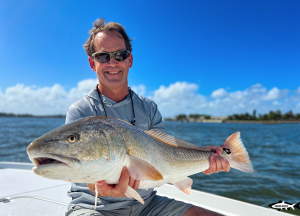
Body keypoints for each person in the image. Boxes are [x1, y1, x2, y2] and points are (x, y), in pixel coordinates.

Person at [65, 18, 230, 216]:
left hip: (147, 204)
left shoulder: (148, 107)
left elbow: (166, 154)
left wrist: (203, 157)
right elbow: (78, 168)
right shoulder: (81, 112)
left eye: (120, 54)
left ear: (130, 60)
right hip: (95, 207)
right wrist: (98, 187)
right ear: (93, 63)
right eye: (103, 56)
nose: (113, 62)